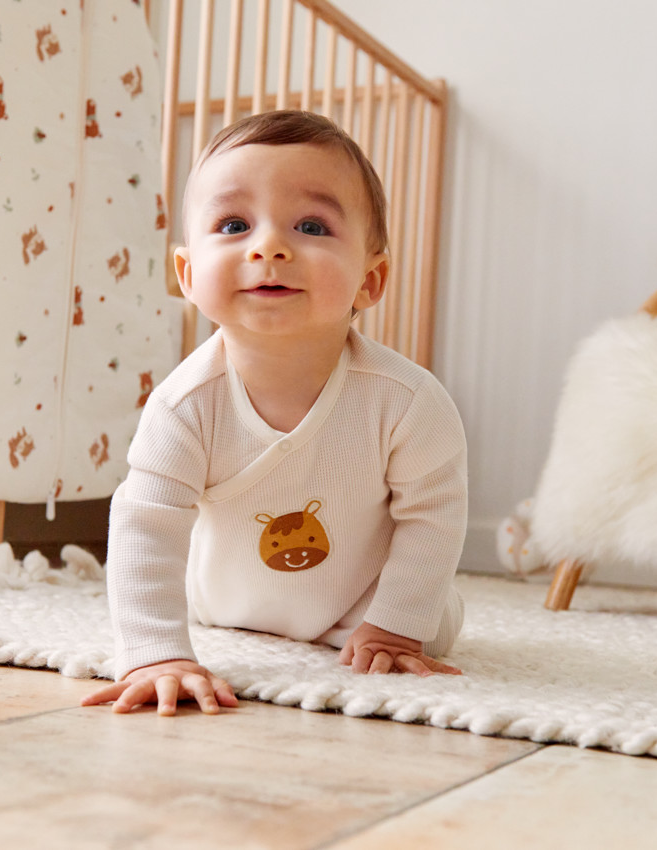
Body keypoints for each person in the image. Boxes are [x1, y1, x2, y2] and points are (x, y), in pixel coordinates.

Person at [83, 110, 467, 717]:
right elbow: (146, 524)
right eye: (234, 224)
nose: (269, 246)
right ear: (187, 273)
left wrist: (397, 624)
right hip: (223, 604)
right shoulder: (184, 405)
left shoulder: (408, 401)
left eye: (311, 225)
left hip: (359, 611)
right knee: (168, 579)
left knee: (437, 621)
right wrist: (155, 652)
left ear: (371, 279)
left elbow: (433, 515)